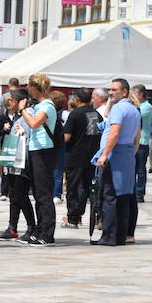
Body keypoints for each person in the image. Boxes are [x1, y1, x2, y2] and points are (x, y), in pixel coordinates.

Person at [92, 78, 141, 246]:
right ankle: (120, 236)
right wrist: (131, 153)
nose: (111, 93)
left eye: (114, 90)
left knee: (109, 195)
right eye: (110, 89)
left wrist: (105, 154)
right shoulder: (134, 110)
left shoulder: (119, 108)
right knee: (124, 197)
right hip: (126, 155)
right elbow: (137, 136)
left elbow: (114, 132)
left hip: (115, 155)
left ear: (125, 91)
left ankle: (109, 236)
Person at [14, 73, 60, 245]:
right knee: (38, 193)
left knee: (44, 194)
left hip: (44, 152)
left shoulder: (47, 106)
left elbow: (34, 123)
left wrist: (22, 110)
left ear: (35, 87)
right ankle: (40, 230)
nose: (28, 90)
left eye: (29, 86)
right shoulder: (41, 105)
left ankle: (48, 234)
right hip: (36, 151)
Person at [0, 94, 34, 242]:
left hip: (22, 162)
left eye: (12, 99)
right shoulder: (17, 117)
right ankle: (12, 227)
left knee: (22, 195)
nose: (9, 102)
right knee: (14, 196)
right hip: (12, 160)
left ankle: (31, 226)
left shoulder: (28, 115)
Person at [62, 89, 104, 227]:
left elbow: (66, 137)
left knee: (72, 188)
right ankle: (97, 217)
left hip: (75, 156)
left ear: (77, 99)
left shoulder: (75, 114)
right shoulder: (96, 114)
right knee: (91, 188)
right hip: (92, 156)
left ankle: (74, 218)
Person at [132, 84, 152, 202]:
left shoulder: (147, 106)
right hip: (134, 141)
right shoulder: (136, 106)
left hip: (142, 142)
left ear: (140, 94)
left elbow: (136, 116)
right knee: (133, 168)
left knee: (140, 169)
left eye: (134, 93)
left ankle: (139, 193)